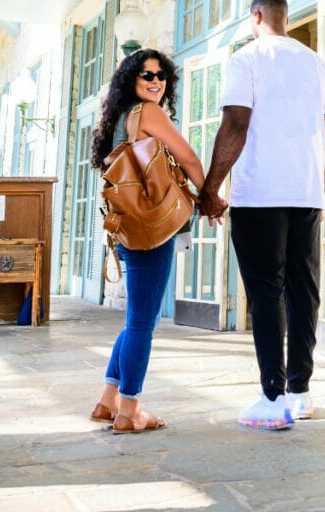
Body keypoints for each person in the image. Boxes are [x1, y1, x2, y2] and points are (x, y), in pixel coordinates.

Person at [199, 0, 325, 431]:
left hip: (260, 193)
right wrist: (318, 185)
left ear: (256, 16)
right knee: (303, 291)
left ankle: (272, 396)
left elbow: (236, 123)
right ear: (284, 17)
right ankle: (300, 392)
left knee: (265, 292)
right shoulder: (317, 63)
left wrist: (210, 188)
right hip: (305, 194)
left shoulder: (247, 58)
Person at [89, 48, 226, 434]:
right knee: (141, 323)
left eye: (161, 75)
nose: (155, 82)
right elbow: (190, 160)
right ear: (131, 79)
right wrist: (210, 199)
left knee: (137, 319)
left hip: (127, 225)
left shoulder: (117, 116)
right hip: (151, 226)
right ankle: (130, 410)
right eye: (146, 75)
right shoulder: (148, 113)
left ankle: (107, 399)